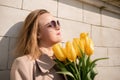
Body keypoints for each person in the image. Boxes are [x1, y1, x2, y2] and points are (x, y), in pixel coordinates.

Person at [10, 9, 65, 80]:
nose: (58, 27)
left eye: (57, 23)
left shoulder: (67, 61)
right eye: (51, 24)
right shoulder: (23, 64)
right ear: (37, 33)